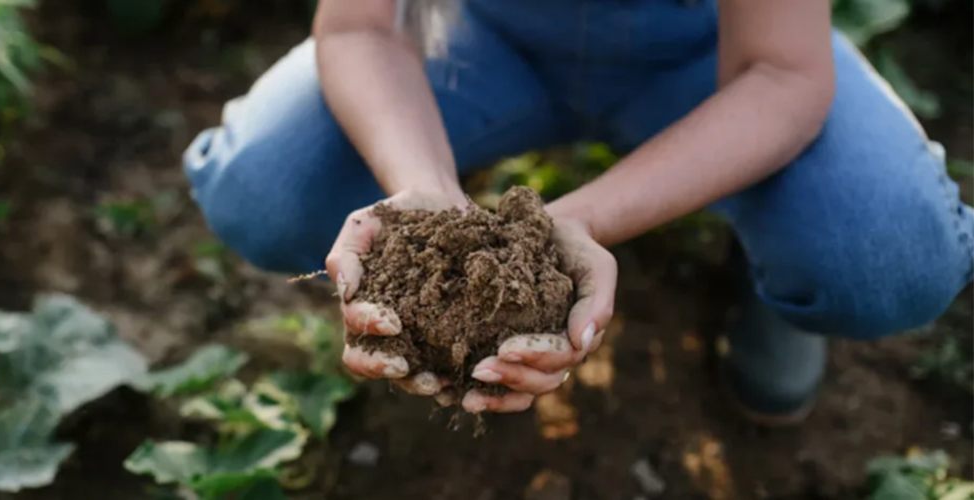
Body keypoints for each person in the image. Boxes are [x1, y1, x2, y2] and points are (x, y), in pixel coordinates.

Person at [182, 0, 974, 424]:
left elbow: (780, 72)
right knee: (266, 192)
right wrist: (425, 199)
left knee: (885, 256)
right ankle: (456, 164)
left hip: (716, 49)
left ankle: (781, 285)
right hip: (477, 31)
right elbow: (359, 26)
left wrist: (576, 222)